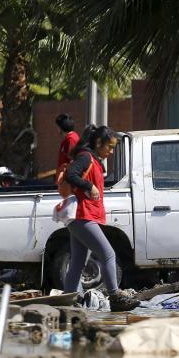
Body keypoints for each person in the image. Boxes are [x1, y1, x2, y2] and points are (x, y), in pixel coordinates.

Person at [62, 125, 138, 312]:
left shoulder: (93, 159)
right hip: (82, 216)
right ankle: (115, 296)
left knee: (78, 262)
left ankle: (69, 300)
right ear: (98, 143)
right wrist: (89, 185)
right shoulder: (86, 157)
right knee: (108, 253)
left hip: (83, 216)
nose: (110, 152)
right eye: (109, 147)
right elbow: (71, 174)